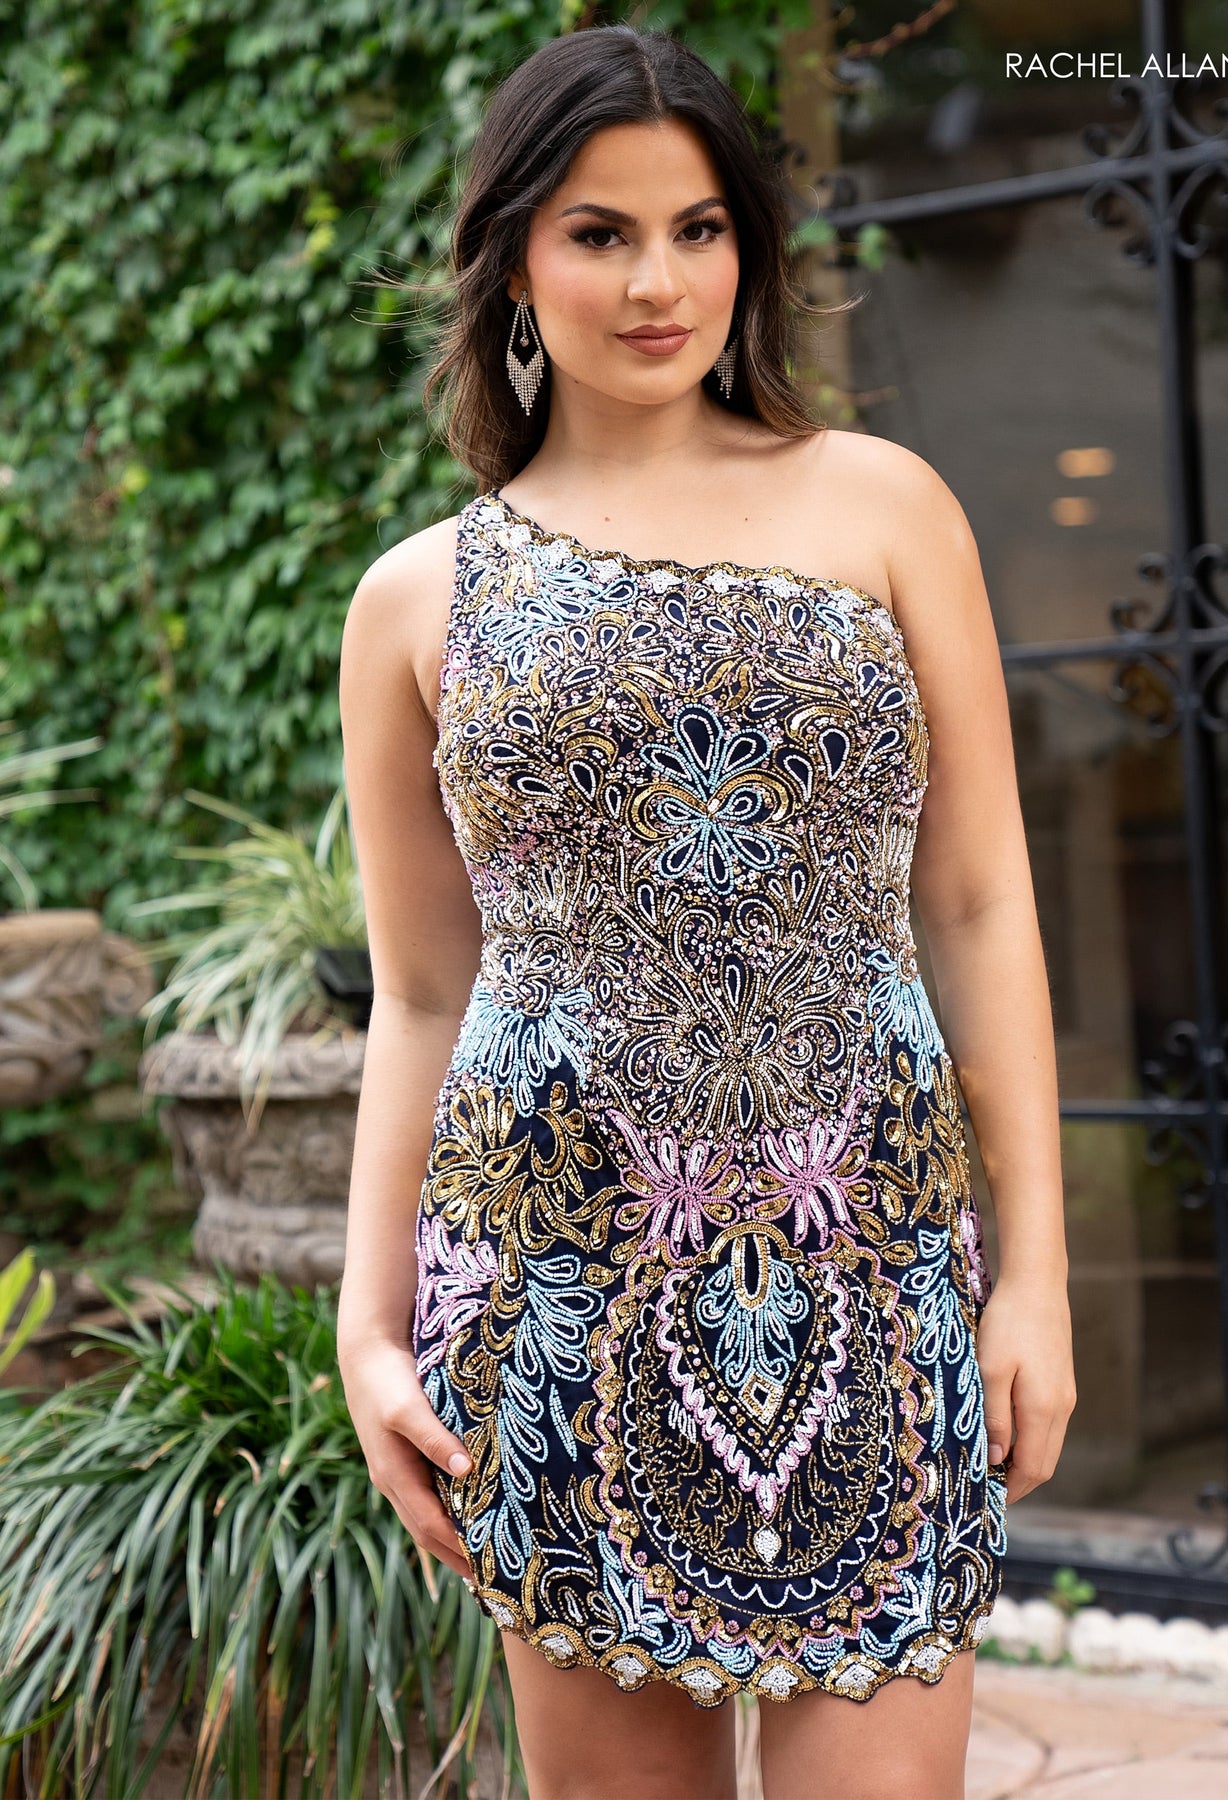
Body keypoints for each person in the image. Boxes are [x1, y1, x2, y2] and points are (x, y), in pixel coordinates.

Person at [336, 24, 1075, 1800]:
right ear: (513, 258)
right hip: (552, 1273)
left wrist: (1036, 1271)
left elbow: (979, 900)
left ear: (749, 245)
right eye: (599, 233)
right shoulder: (417, 600)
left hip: (869, 1251)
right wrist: (367, 1327)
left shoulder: (883, 508)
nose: (657, 282)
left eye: (698, 228)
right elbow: (421, 994)